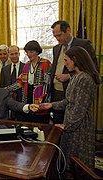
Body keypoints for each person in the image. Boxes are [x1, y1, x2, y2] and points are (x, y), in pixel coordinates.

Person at [39, 46, 100, 175]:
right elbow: (68, 101)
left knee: (79, 163)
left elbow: (79, 108)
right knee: (68, 160)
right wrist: (51, 105)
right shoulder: (75, 76)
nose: (65, 64)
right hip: (71, 122)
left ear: (75, 60)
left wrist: (67, 125)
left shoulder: (85, 79)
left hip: (79, 126)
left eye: (66, 61)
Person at [50, 20, 99, 124]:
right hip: (56, 92)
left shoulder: (84, 44)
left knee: (72, 123)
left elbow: (93, 68)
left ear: (68, 30)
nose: (58, 39)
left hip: (75, 93)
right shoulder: (56, 48)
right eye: (55, 37)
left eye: (59, 35)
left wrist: (69, 76)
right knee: (58, 125)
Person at [6, 40, 52, 124]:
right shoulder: (26, 65)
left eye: (31, 52)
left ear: (37, 51)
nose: (29, 54)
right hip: (27, 100)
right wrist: (6, 90)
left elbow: (47, 85)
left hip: (41, 102)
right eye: (27, 52)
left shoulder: (45, 63)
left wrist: (42, 101)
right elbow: (20, 83)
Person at [0, 45, 25, 119]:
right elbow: (2, 86)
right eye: (11, 54)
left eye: (16, 53)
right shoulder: (5, 69)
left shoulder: (26, 67)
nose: (14, 56)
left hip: (22, 101)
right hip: (8, 101)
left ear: (19, 54)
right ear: (8, 55)